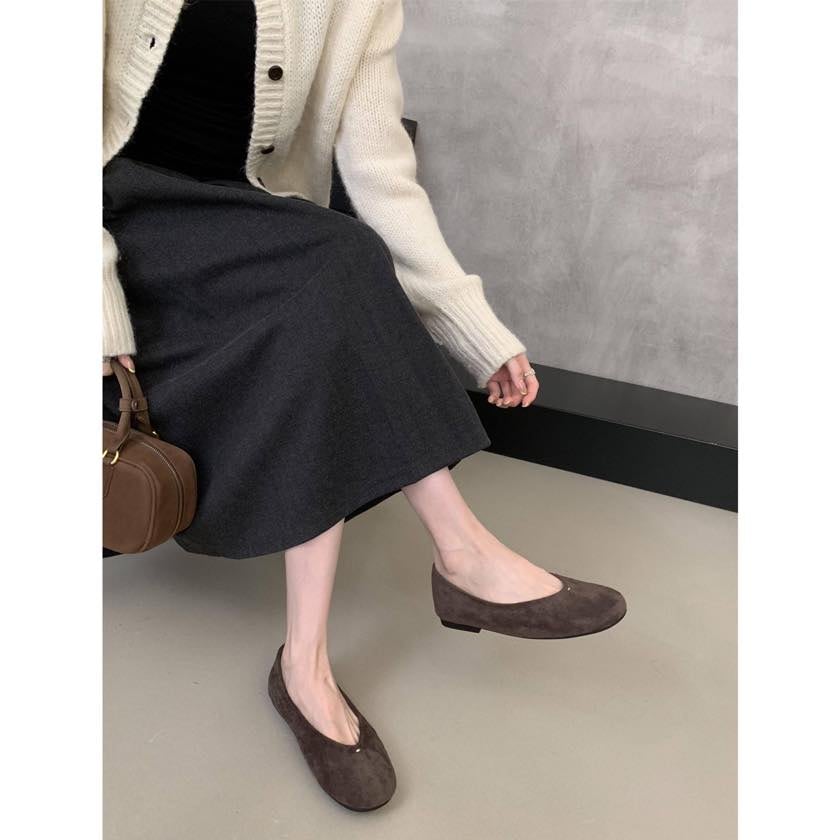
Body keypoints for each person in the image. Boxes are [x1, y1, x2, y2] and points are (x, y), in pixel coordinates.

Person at [102, 0, 626, 811]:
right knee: (329, 265)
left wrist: (473, 326)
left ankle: (307, 662)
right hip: (106, 216)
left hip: (245, 223)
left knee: (331, 271)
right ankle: (460, 559)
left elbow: (381, 171)